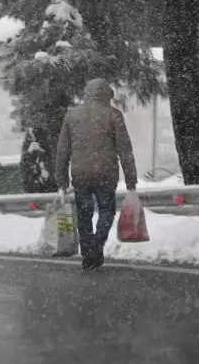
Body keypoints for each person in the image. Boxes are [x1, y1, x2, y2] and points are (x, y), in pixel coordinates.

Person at [55, 78, 138, 270]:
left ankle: (88, 255)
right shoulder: (113, 115)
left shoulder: (72, 115)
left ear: (87, 93)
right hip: (106, 174)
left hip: (80, 175)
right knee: (106, 212)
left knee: (84, 215)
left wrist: (61, 180)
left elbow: (62, 151)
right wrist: (131, 180)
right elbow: (125, 150)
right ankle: (96, 246)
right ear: (107, 94)